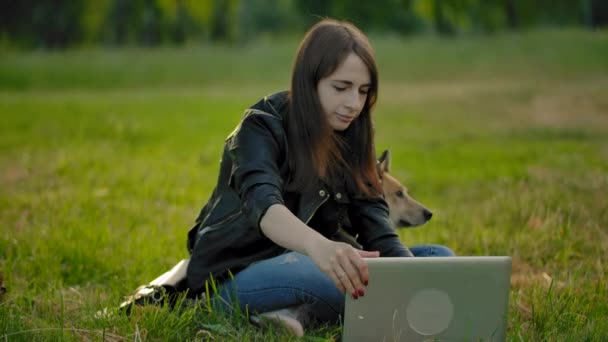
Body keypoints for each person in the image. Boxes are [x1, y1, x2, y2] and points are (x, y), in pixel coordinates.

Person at [185, 18, 454, 336]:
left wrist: (408, 276)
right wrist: (321, 247)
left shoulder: (355, 136)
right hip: (234, 275)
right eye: (341, 88)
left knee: (439, 260)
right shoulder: (260, 127)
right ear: (309, 82)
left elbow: (376, 226)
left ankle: (288, 318)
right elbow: (265, 208)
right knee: (321, 274)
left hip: (316, 264)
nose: (354, 104)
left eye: (363, 91)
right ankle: (316, 310)